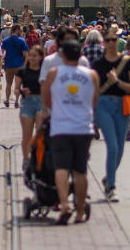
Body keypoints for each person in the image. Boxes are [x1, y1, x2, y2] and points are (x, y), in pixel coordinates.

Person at [42, 34, 98, 224]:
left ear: (63, 55)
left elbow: (46, 99)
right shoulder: (91, 75)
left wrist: (54, 110)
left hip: (60, 126)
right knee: (80, 171)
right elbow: (94, 101)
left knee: (61, 168)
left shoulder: (54, 73)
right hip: (83, 127)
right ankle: (80, 211)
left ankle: (65, 203)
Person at [92, 30, 130, 199]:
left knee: (120, 148)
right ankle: (111, 186)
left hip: (123, 105)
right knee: (112, 147)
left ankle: (108, 177)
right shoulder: (97, 64)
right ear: (104, 42)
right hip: (103, 105)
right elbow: (94, 91)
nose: (111, 42)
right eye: (108, 40)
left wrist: (116, 81)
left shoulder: (127, 63)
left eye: (114, 39)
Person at [16, 46, 45, 162]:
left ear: (41, 57)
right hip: (27, 102)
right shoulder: (22, 71)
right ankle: (26, 159)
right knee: (26, 135)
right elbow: (16, 89)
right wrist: (21, 91)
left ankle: (38, 160)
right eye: (30, 55)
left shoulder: (45, 71)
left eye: (35, 56)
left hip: (41, 102)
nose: (32, 58)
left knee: (39, 134)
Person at [3, 22, 30, 105]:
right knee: (18, 84)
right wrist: (26, 65)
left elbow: (3, 52)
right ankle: (16, 101)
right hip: (19, 65)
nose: (21, 32)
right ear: (17, 30)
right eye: (20, 30)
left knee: (8, 83)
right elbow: (26, 54)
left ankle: (7, 100)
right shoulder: (22, 40)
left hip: (9, 64)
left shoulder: (6, 40)